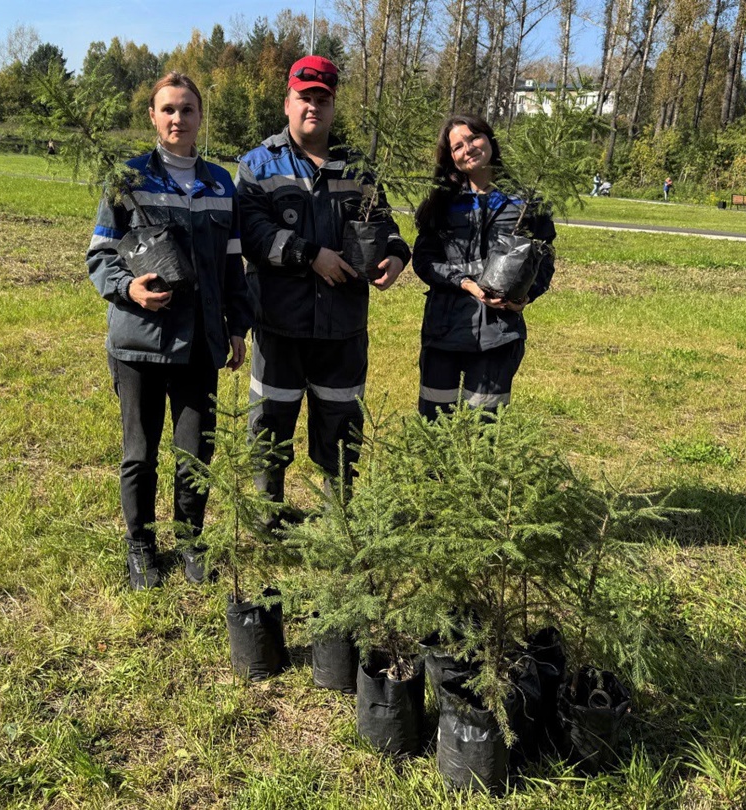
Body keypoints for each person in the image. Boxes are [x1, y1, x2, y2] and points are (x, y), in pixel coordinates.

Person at [86, 72, 252, 590]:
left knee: (196, 451)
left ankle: (190, 542)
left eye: (188, 109)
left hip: (201, 342)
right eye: (168, 110)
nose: (178, 118)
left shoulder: (221, 183)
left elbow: (231, 266)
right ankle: (141, 546)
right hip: (139, 342)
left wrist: (237, 328)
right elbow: (99, 256)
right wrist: (129, 290)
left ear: (201, 117)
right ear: (153, 118)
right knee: (140, 451)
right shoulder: (127, 178)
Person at [235, 55, 410, 513]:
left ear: (333, 106)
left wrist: (396, 254)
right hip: (279, 323)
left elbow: (386, 223)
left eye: (322, 99)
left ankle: (340, 520)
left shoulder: (359, 169)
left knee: (341, 423)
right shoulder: (258, 166)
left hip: (343, 328)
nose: (313, 106)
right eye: (304, 98)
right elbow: (251, 233)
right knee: (269, 423)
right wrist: (309, 255)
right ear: (287, 103)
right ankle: (268, 512)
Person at [412, 113, 556, 420]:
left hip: (499, 332)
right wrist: (465, 282)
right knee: (434, 422)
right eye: (457, 146)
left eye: (474, 137)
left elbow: (544, 257)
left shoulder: (525, 202)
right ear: (450, 157)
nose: (469, 148)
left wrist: (525, 298)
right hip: (444, 330)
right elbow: (424, 261)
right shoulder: (441, 203)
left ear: (490, 139)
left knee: (486, 426)